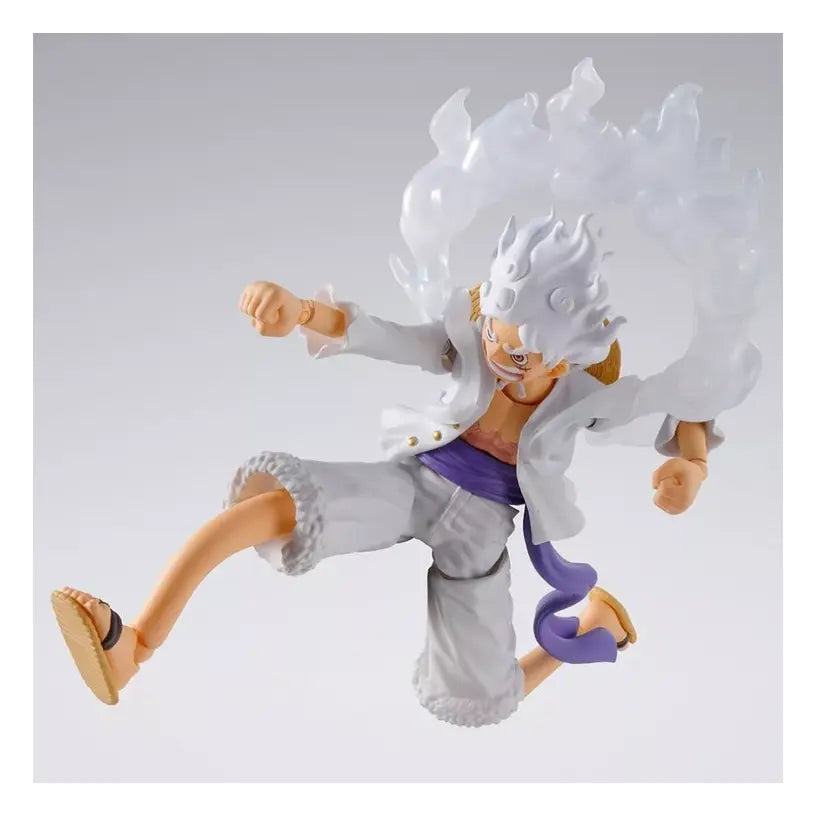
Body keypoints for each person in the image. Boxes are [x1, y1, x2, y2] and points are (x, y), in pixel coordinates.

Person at [52, 213, 719, 727]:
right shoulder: (471, 345)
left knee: (477, 693)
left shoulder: (583, 398)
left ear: (564, 356)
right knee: (277, 509)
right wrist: (300, 311)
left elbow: (682, 408)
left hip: (480, 530)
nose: (497, 355)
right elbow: (384, 336)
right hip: (414, 484)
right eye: (493, 332)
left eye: (518, 354)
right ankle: (135, 645)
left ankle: (595, 629)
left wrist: (691, 465)